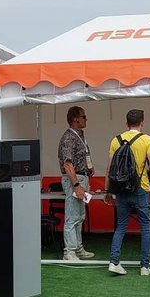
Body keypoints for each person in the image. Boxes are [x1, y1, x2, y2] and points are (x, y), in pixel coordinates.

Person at [105, 108, 150, 276]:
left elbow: (109, 169)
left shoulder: (116, 140)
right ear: (142, 122)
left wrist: (108, 191)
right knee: (145, 227)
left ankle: (114, 262)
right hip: (141, 188)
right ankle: (144, 267)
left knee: (121, 226)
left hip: (121, 189)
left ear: (126, 123)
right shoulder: (148, 140)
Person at [57, 106, 95, 261]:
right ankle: (69, 251)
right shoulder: (69, 138)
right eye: (84, 117)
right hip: (75, 179)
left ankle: (78, 248)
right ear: (75, 119)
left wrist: (88, 168)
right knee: (72, 215)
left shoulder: (79, 135)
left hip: (81, 177)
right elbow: (67, 164)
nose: (86, 119)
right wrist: (77, 185)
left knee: (79, 215)